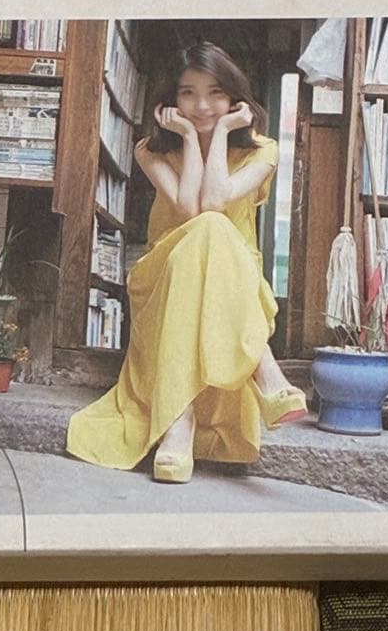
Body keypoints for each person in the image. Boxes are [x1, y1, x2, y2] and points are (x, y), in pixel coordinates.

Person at [66, 41, 308, 483]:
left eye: (216, 93)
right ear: (171, 101)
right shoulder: (150, 150)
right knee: (209, 226)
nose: (202, 106)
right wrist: (192, 139)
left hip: (232, 284)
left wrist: (221, 134)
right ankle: (265, 372)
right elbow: (195, 208)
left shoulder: (264, 150)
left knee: (215, 230)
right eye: (188, 93)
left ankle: (181, 422)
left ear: (235, 98)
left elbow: (216, 200)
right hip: (165, 273)